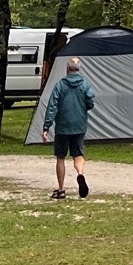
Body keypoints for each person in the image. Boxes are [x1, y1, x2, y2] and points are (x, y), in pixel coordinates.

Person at [41, 55, 97, 200]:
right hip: (79, 126)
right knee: (78, 154)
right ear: (78, 69)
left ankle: (61, 190)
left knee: (60, 157)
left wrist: (46, 126)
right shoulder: (85, 85)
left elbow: (52, 106)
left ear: (67, 69)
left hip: (63, 127)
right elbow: (90, 102)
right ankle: (80, 174)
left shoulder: (60, 85)